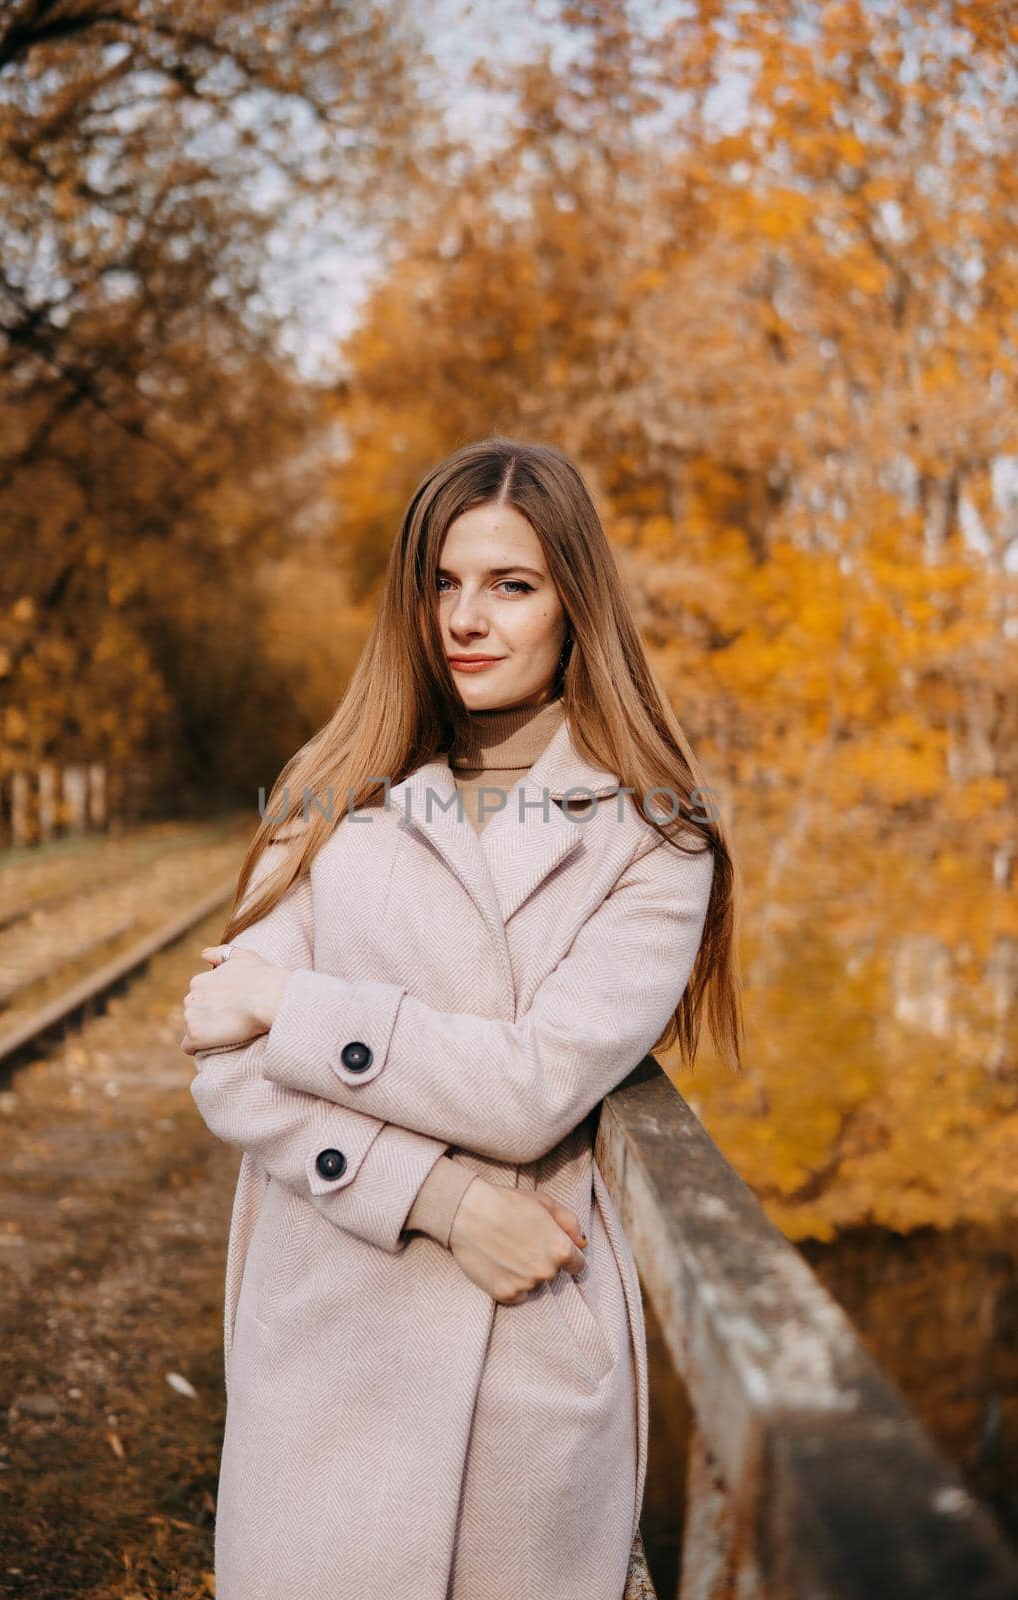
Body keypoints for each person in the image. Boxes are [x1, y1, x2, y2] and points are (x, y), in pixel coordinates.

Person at [180, 435, 743, 1600]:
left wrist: (291, 999)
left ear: (574, 604)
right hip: (328, 1333)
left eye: (511, 584)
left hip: (524, 1354)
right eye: (441, 581)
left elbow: (530, 1083)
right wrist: (434, 1197)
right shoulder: (335, 785)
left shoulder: (651, 838)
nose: (465, 617)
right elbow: (224, 1063)